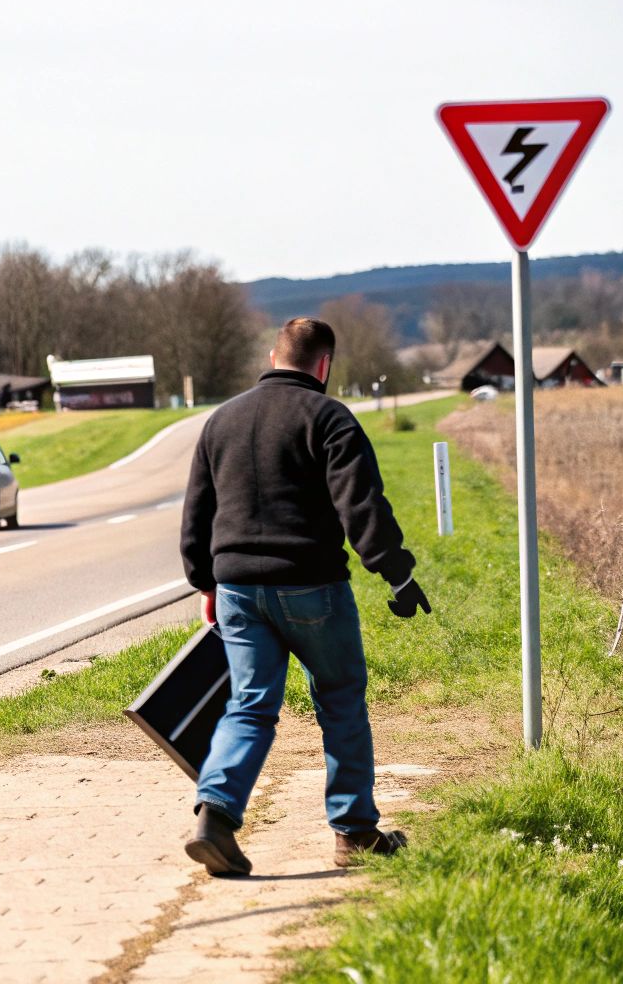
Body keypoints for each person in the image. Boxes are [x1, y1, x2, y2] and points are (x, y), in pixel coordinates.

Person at [178, 317, 431, 876]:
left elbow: (197, 513)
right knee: (341, 703)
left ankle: (215, 817)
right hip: (312, 588)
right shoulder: (329, 417)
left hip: (238, 590)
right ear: (324, 366)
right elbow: (361, 505)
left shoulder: (221, 420)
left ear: (273, 358)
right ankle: (355, 834)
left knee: (250, 705)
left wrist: (204, 582)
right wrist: (397, 574)